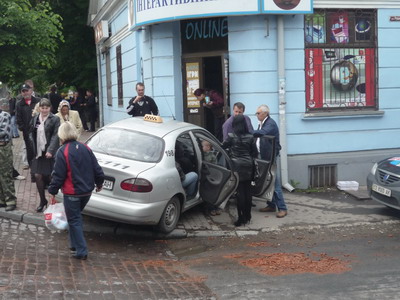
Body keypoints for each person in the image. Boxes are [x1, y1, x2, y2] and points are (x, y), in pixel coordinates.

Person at [48, 121, 104, 260]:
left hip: (72, 193)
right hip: (87, 191)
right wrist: (99, 182)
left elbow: (58, 175)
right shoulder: (86, 148)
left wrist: (52, 190)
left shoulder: (62, 151)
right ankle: (74, 245)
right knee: (75, 218)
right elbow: (97, 168)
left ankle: (81, 250)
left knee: (74, 220)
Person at [222, 115, 258, 226]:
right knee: (248, 192)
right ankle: (248, 216)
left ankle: (240, 218)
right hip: (248, 165)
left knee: (239, 193)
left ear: (234, 124)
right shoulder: (250, 136)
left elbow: (222, 146)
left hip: (236, 166)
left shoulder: (231, 136)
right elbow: (255, 153)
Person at [253, 104, 287, 218]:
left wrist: (247, 132)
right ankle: (271, 205)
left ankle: (282, 208)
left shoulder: (270, 124)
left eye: (258, 113)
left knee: (274, 182)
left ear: (265, 113)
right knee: (268, 181)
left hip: (270, 157)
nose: (257, 115)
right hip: (264, 156)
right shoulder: (263, 122)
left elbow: (261, 133)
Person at [30, 98, 60, 213]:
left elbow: (55, 135)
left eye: (46, 108)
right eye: (42, 108)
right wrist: (32, 146)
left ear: (50, 108)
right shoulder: (35, 118)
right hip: (38, 152)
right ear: (39, 108)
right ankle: (43, 201)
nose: (44, 110)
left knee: (50, 177)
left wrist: (51, 150)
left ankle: (54, 201)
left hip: (49, 152)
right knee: (38, 176)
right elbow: (31, 132)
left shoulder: (55, 119)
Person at [16, 83, 40, 174]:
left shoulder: (38, 101)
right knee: (30, 152)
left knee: (40, 151)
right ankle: (33, 172)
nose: (25, 93)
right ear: (21, 93)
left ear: (30, 91)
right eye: (23, 91)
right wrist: (23, 129)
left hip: (39, 131)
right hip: (27, 133)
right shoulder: (19, 104)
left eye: (27, 90)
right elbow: (18, 118)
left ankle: (41, 171)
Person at [0, 108, 17, 211]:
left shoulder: (4, 115)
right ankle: (2, 200)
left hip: (3, 148)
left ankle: (11, 200)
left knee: (6, 174)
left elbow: (3, 132)